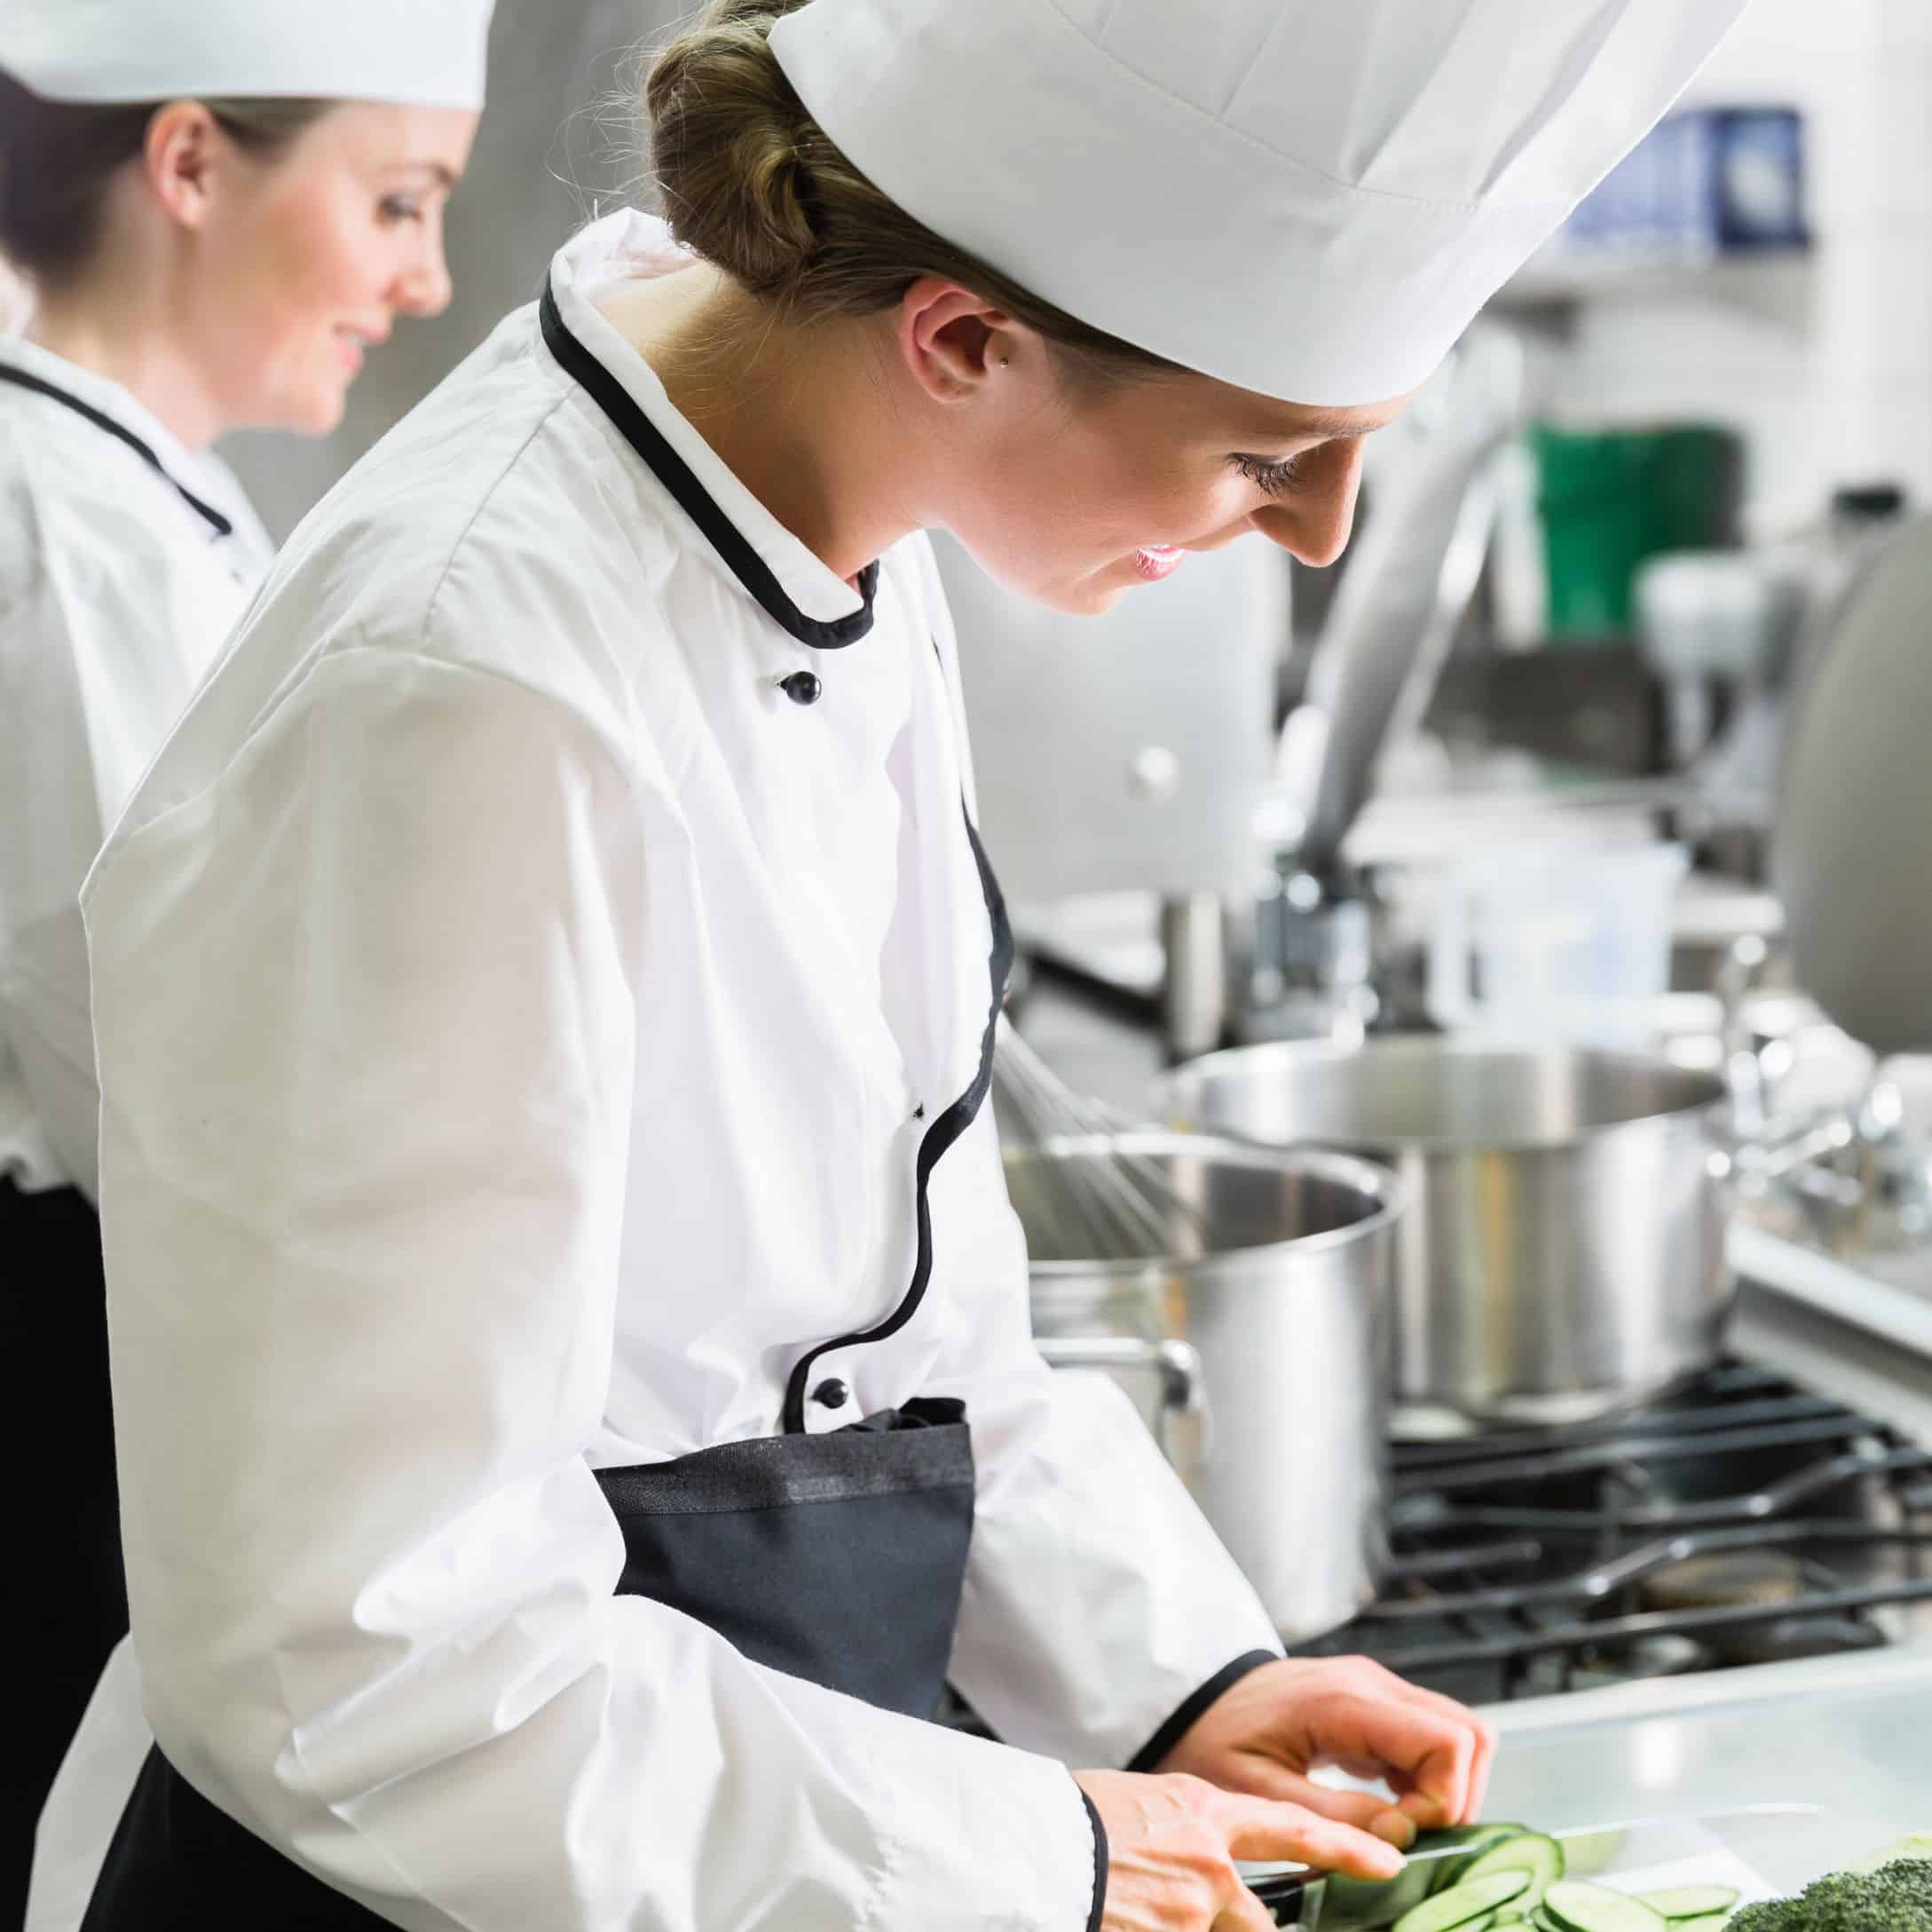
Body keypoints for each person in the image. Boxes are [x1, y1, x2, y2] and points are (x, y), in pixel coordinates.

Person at [48, 1, 1747, 1928]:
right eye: (1268, 456)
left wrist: (1179, 1682)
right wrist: (1032, 1848)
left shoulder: (847, 508)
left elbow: (904, 1333)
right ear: (961, 341)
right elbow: (364, 1663)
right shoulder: (463, 693)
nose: (1313, 532)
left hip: (737, 1809)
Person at [0, 0, 488, 1912]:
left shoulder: (123, 503)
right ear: (188, 162)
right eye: (394, 200)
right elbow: (161, 1074)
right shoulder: (65, 536)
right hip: (80, 1389)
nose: (429, 276)